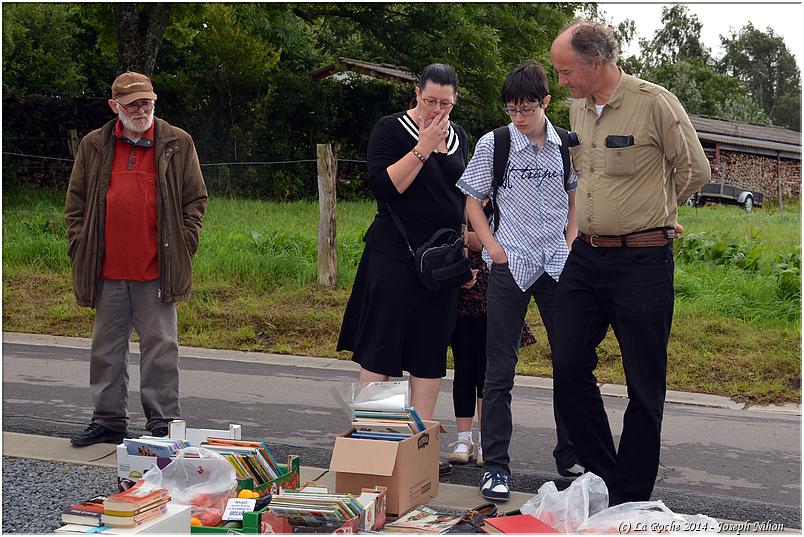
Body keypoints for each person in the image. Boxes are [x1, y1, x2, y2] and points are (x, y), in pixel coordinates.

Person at [549, 21, 710, 505]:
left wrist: (658, 213)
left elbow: (695, 170)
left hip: (643, 259)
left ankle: (630, 492)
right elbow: (583, 171)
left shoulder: (653, 103)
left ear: (596, 63)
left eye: (565, 71)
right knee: (568, 363)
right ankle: (603, 473)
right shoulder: (578, 107)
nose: (561, 82)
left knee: (644, 382)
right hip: (586, 254)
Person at [337, 64, 474, 474]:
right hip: (394, 256)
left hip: (442, 262)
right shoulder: (390, 129)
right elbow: (383, 186)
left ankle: (419, 441)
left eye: (444, 103)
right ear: (417, 94)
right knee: (382, 345)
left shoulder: (460, 135)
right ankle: (374, 439)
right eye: (429, 100)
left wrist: (466, 257)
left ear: (455, 100)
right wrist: (423, 147)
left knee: (430, 350)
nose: (436, 109)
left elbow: (462, 195)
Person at [456, 59, 583, 501]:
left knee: (570, 362)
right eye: (512, 109)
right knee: (499, 370)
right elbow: (473, 202)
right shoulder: (496, 143)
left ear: (545, 102)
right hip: (510, 264)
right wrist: (492, 248)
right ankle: (496, 467)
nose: (519, 116)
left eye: (527, 108)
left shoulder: (566, 144)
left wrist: (569, 240)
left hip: (556, 265)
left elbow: (575, 197)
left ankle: (571, 457)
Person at [65, 71, 208, 446]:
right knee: (106, 352)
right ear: (115, 107)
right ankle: (108, 421)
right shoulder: (94, 144)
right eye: (132, 105)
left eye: (147, 102)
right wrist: (79, 245)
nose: (142, 110)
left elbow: (196, 200)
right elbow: (76, 203)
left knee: (161, 349)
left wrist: (185, 242)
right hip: (107, 271)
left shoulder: (178, 142)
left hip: (157, 270)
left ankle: (162, 423)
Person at [447, 205, 537, 468]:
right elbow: (458, 235)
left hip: (499, 296)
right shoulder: (463, 202)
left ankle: (489, 441)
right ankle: (464, 438)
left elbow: (484, 239)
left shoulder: (508, 199)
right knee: (464, 370)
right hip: (464, 299)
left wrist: (473, 237)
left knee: (490, 372)